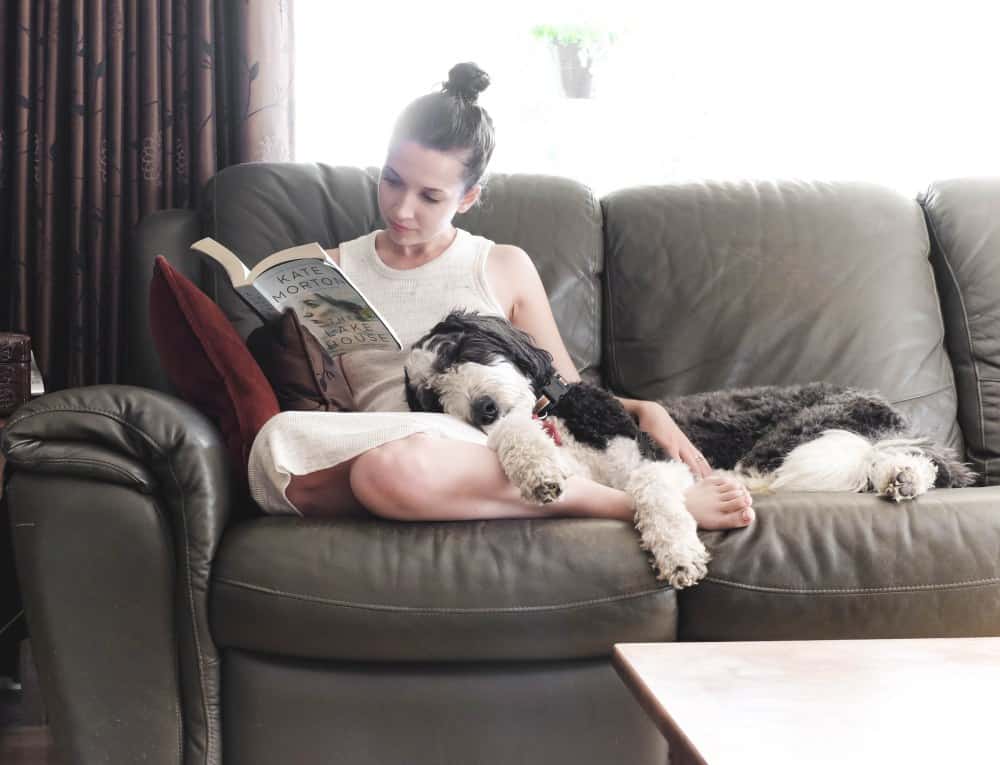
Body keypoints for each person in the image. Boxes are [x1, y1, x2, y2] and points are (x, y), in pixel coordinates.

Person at [248, 62, 755, 532]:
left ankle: (633, 505)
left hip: (476, 447)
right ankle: (417, 489)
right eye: (392, 181)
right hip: (373, 439)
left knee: (390, 470)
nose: (402, 210)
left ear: (468, 198)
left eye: (430, 196)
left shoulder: (502, 266)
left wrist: (645, 409)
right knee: (280, 447)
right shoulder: (330, 268)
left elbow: (565, 394)